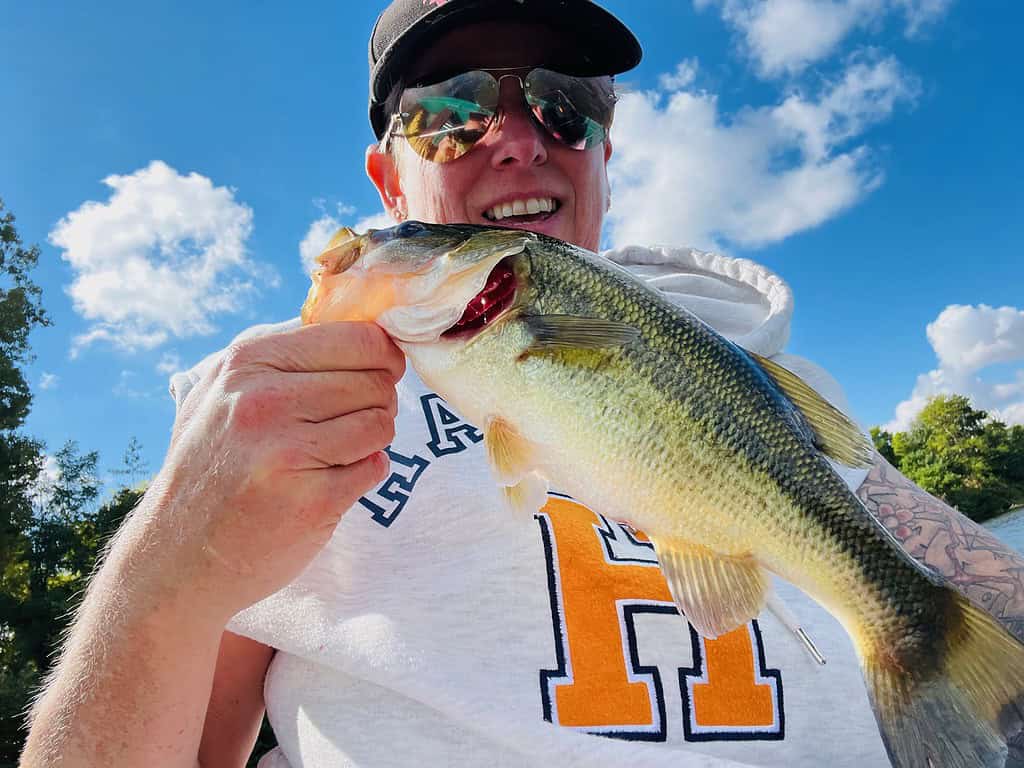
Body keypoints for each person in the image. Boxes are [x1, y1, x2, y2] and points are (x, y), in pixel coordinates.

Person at [21, 1, 1024, 766]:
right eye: (450, 113)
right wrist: (159, 565)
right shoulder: (263, 409)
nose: (513, 135)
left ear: (601, 154)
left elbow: (958, 563)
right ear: (387, 183)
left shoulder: (762, 370)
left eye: (564, 106)